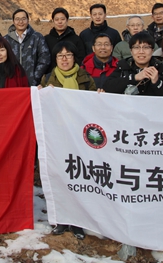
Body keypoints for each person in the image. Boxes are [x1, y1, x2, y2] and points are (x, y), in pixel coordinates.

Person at [41, 41, 96, 240]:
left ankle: (78, 221)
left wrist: (99, 97)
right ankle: (61, 219)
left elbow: (94, 105)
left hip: (79, 135)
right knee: (60, 176)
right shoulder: (48, 79)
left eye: (68, 55)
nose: (64, 59)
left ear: (74, 57)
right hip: (57, 135)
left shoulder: (85, 78)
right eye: (60, 55)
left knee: (78, 176)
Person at [103, 31, 163, 96]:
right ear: (131, 51)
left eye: (146, 47)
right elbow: (107, 87)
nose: (141, 52)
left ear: (152, 51)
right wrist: (134, 78)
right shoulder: (123, 66)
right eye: (136, 47)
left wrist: (157, 82)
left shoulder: (162, 68)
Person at [5, 9, 50, 86]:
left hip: (32, 84)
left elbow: (45, 58)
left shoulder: (37, 37)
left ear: (28, 20)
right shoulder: (6, 39)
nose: (21, 22)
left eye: (23, 19)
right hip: (11, 82)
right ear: (13, 21)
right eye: (17, 19)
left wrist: (35, 77)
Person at [44, 7, 86, 73]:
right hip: (51, 75)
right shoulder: (46, 39)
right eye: (57, 19)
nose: (60, 22)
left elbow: (81, 59)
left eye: (62, 19)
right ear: (53, 21)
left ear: (67, 20)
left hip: (72, 75)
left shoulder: (76, 39)